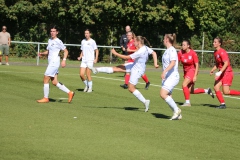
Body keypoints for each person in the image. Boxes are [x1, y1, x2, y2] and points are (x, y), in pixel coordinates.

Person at [91, 36, 159, 112]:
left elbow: (127, 58)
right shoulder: (145, 47)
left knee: (131, 88)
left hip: (137, 70)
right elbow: (154, 53)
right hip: (134, 65)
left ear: (138, 42)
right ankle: (97, 70)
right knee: (117, 68)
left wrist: (116, 53)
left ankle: (145, 101)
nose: (134, 43)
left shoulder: (141, 51)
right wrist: (155, 64)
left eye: (135, 41)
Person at [37, 25, 75, 103]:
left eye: (54, 31)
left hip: (54, 63)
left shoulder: (58, 41)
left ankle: (46, 98)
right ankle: (70, 92)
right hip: (51, 62)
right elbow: (48, 51)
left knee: (45, 78)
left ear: (57, 32)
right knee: (54, 82)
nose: (52, 33)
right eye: (51, 31)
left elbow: (66, 51)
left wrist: (64, 60)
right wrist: (42, 53)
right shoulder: (50, 40)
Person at [178, 40, 214, 106]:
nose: (182, 46)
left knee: (184, 85)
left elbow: (197, 65)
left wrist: (195, 76)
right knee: (190, 91)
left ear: (188, 46)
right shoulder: (180, 53)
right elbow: (176, 62)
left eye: (184, 45)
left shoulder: (193, 53)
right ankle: (207, 91)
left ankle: (187, 102)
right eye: (182, 44)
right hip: (186, 72)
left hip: (192, 71)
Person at [210, 37, 240, 109]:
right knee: (216, 87)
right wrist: (213, 69)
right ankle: (222, 104)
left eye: (215, 42)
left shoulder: (222, 52)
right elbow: (218, 64)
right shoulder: (215, 52)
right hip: (222, 72)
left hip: (227, 73)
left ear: (219, 43)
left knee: (226, 91)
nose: (213, 43)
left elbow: (226, 63)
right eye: (213, 42)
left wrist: (220, 72)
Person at [160, 34, 182, 120]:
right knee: (168, 95)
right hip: (168, 76)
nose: (163, 40)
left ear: (167, 40)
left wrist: (164, 72)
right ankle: (177, 115)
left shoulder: (172, 50)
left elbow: (172, 63)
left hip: (173, 76)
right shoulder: (167, 50)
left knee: (162, 94)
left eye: (164, 39)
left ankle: (177, 110)